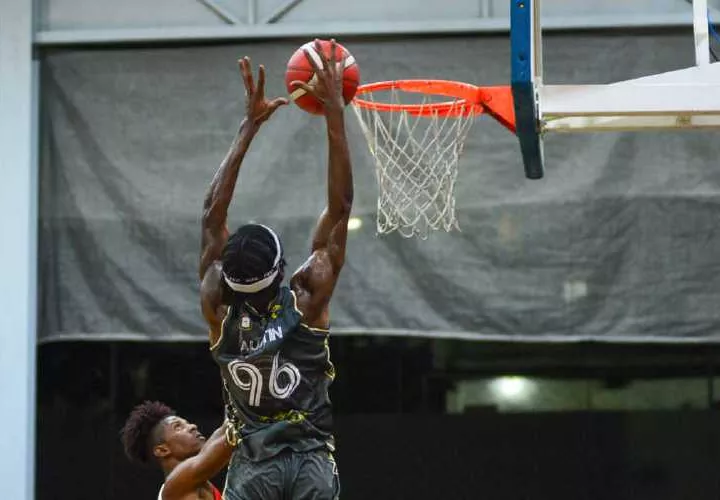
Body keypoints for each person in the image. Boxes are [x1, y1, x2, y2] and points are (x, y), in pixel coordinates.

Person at [198, 39, 353, 500]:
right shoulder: (306, 297)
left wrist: (249, 126)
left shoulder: (216, 306)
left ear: (226, 272)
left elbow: (211, 215)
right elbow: (340, 209)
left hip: (254, 466)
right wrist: (334, 113)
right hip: (310, 464)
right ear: (283, 267)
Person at [120, 400, 238, 500]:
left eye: (187, 423)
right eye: (178, 427)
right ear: (162, 450)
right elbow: (229, 437)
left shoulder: (199, 482)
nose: (192, 426)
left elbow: (226, 428)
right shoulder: (175, 486)